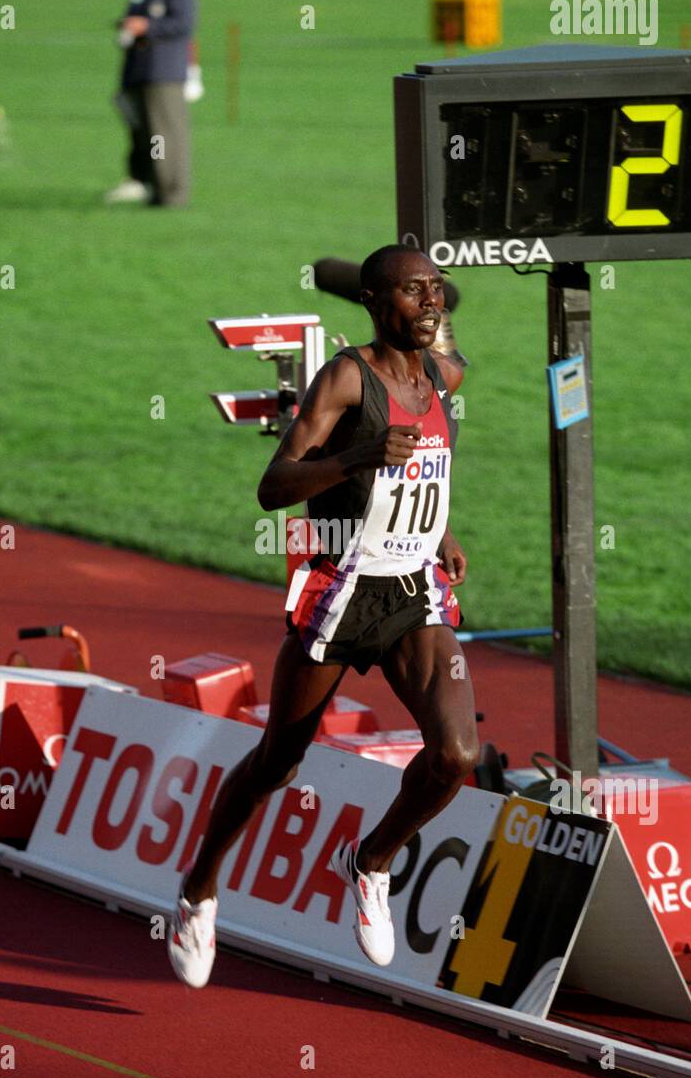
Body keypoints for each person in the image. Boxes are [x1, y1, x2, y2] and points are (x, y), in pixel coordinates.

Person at [168, 245, 479, 988]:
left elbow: (425, 471)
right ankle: (198, 888)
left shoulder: (442, 373)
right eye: (414, 294)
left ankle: (369, 861)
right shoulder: (345, 378)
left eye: (435, 292)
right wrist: (360, 453)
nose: (432, 303)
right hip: (339, 589)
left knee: (456, 756)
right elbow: (273, 489)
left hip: (412, 591)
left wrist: (439, 532)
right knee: (280, 758)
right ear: (377, 303)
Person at [105, 0, 195, 207]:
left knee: (166, 135)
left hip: (164, 69)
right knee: (147, 135)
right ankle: (155, 188)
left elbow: (184, 24)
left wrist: (147, 26)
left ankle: (173, 192)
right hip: (140, 67)